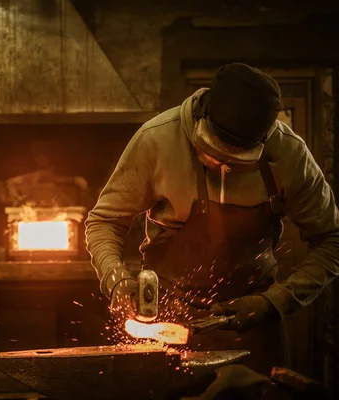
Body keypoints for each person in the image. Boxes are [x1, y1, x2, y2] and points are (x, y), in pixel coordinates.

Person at [85, 63, 339, 374]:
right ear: (203, 115)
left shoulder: (290, 155)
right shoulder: (157, 140)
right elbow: (104, 222)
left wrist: (275, 301)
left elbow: (332, 239)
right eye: (214, 155)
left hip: (252, 320)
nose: (223, 166)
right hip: (167, 314)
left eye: (235, 160)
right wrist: (116, 279)